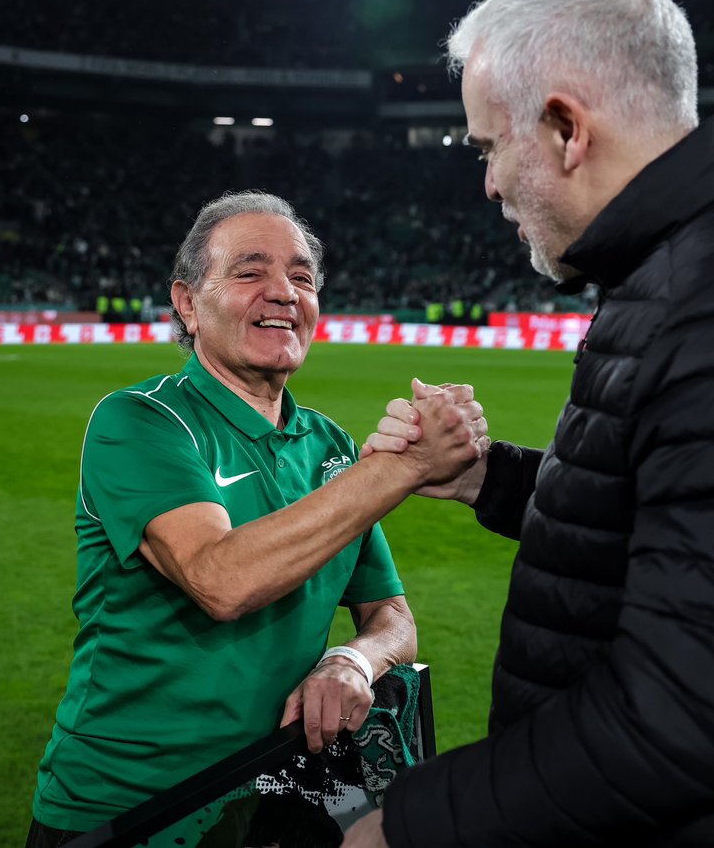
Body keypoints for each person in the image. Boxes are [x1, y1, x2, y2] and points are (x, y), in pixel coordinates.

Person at [344, 0, 714, 847]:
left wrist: (408, 828)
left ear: (566, 127)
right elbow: (666, 525)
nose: (488, 184)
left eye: (490, 147)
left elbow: (691, 713)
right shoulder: (693, 270)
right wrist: (486, 478)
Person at [27, 191, 486, 845]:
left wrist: (352, 661)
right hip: (132, 807)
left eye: (302, 277)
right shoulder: (141, 421)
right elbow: (222, 579)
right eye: (250, 272)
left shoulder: (329, 447)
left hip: (277, 788)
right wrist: (402, 467)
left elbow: (392, 618)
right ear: (187, 301)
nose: (284, 292)